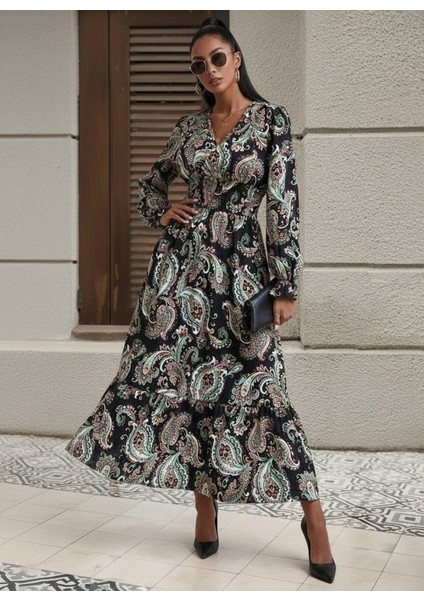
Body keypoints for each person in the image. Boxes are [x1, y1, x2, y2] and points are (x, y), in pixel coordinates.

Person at [66, 17, 336, 584]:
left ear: (236, 59)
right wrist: (162, 212)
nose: (208, 70)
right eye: (198, 64)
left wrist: (284, 285)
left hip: (242, 277)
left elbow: (282, 205)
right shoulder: (188, 129)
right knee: (185, 389)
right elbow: (151, 185)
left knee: (265, 390)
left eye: (217, 58)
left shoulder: (271, 122)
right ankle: (204, 511)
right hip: (180, 278)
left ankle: (313, 518)